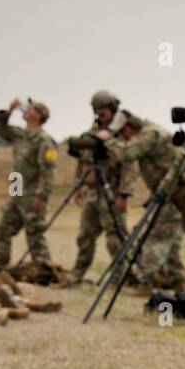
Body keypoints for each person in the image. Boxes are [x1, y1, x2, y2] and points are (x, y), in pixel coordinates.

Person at [104, 112, 185, 291]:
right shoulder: (151, 131)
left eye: (122, 134)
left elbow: (126, 153)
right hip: (172, 193)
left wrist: (108, 139)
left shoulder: (150, 134)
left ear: (128, 128)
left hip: (171, 194)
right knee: (171, 242)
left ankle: (147, 282)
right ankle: (179, 280)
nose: (123, 138)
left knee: (153, 239)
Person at [65, 90, 136, 287]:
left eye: (103, 108)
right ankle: (77, 273)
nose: (99, 112)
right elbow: (83, 160)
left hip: (112, 191)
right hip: (92, 191)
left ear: (112, 109)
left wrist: (124, 195)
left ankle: (121, 277)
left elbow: (130, 165)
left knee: (115, 238)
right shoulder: (92, 132)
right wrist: (78, 186)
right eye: (96, 108)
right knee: (85, 236)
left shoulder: (121, 134)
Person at [0, 98, 57, 272]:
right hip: (17, 188)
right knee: (2, 229)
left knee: (34, 234)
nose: (26, 110)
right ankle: (0, 270)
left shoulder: (44, 140)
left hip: (32, 192)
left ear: (38, 116)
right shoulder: (20, 135)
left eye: (31, 108)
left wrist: (41, 196)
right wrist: (9, 110)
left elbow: (48, 171)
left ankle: (46, 272)